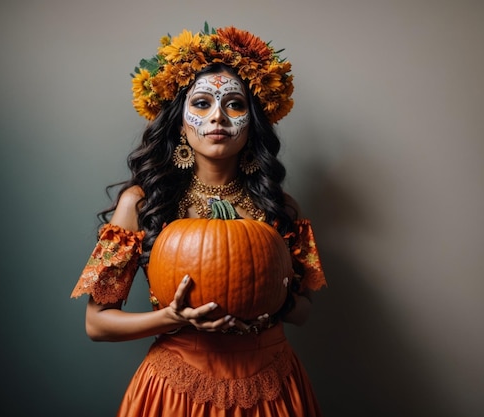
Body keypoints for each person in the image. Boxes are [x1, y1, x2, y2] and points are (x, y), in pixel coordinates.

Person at [71, 24, 327, 417]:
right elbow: (97, 324)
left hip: (272, 386)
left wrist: (281, 302)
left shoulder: (281, 206)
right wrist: (170, 318)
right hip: (178, 390)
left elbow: (305, 313)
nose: (218, 117)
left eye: (235, 105)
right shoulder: (141, 204)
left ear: (253, 121)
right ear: (179, 122)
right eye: (203, 103)